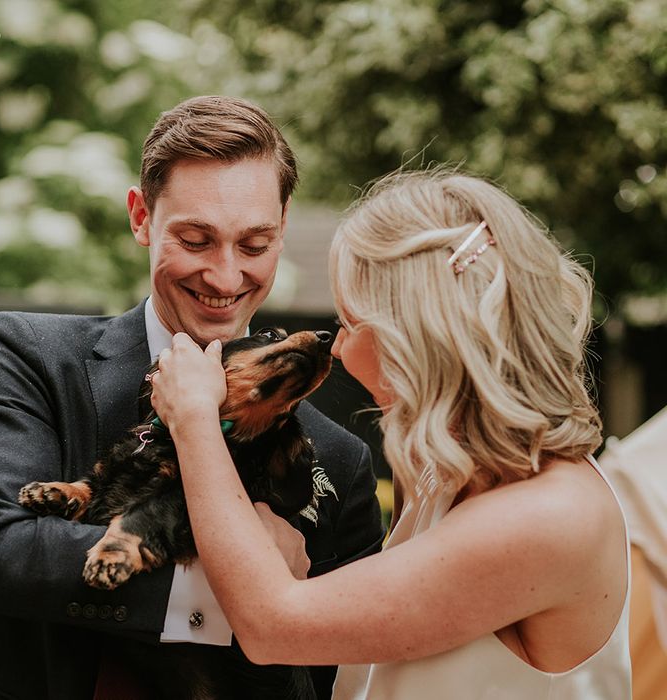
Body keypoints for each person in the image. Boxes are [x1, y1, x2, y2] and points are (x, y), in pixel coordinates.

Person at [0, 95, 384, 700]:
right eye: (196, 240)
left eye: (254, 245)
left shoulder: (341, 459)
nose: (225, 278)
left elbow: (336, 663)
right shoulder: (28, 354)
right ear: (141, 217)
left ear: (283, 226)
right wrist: (245, 586)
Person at [148, 168, 632, 699]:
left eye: (351, 325)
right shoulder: (439, 472)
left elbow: (274, 626)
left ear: (418, 338)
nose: (337, 350)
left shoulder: (548, 516)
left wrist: (194, 419)